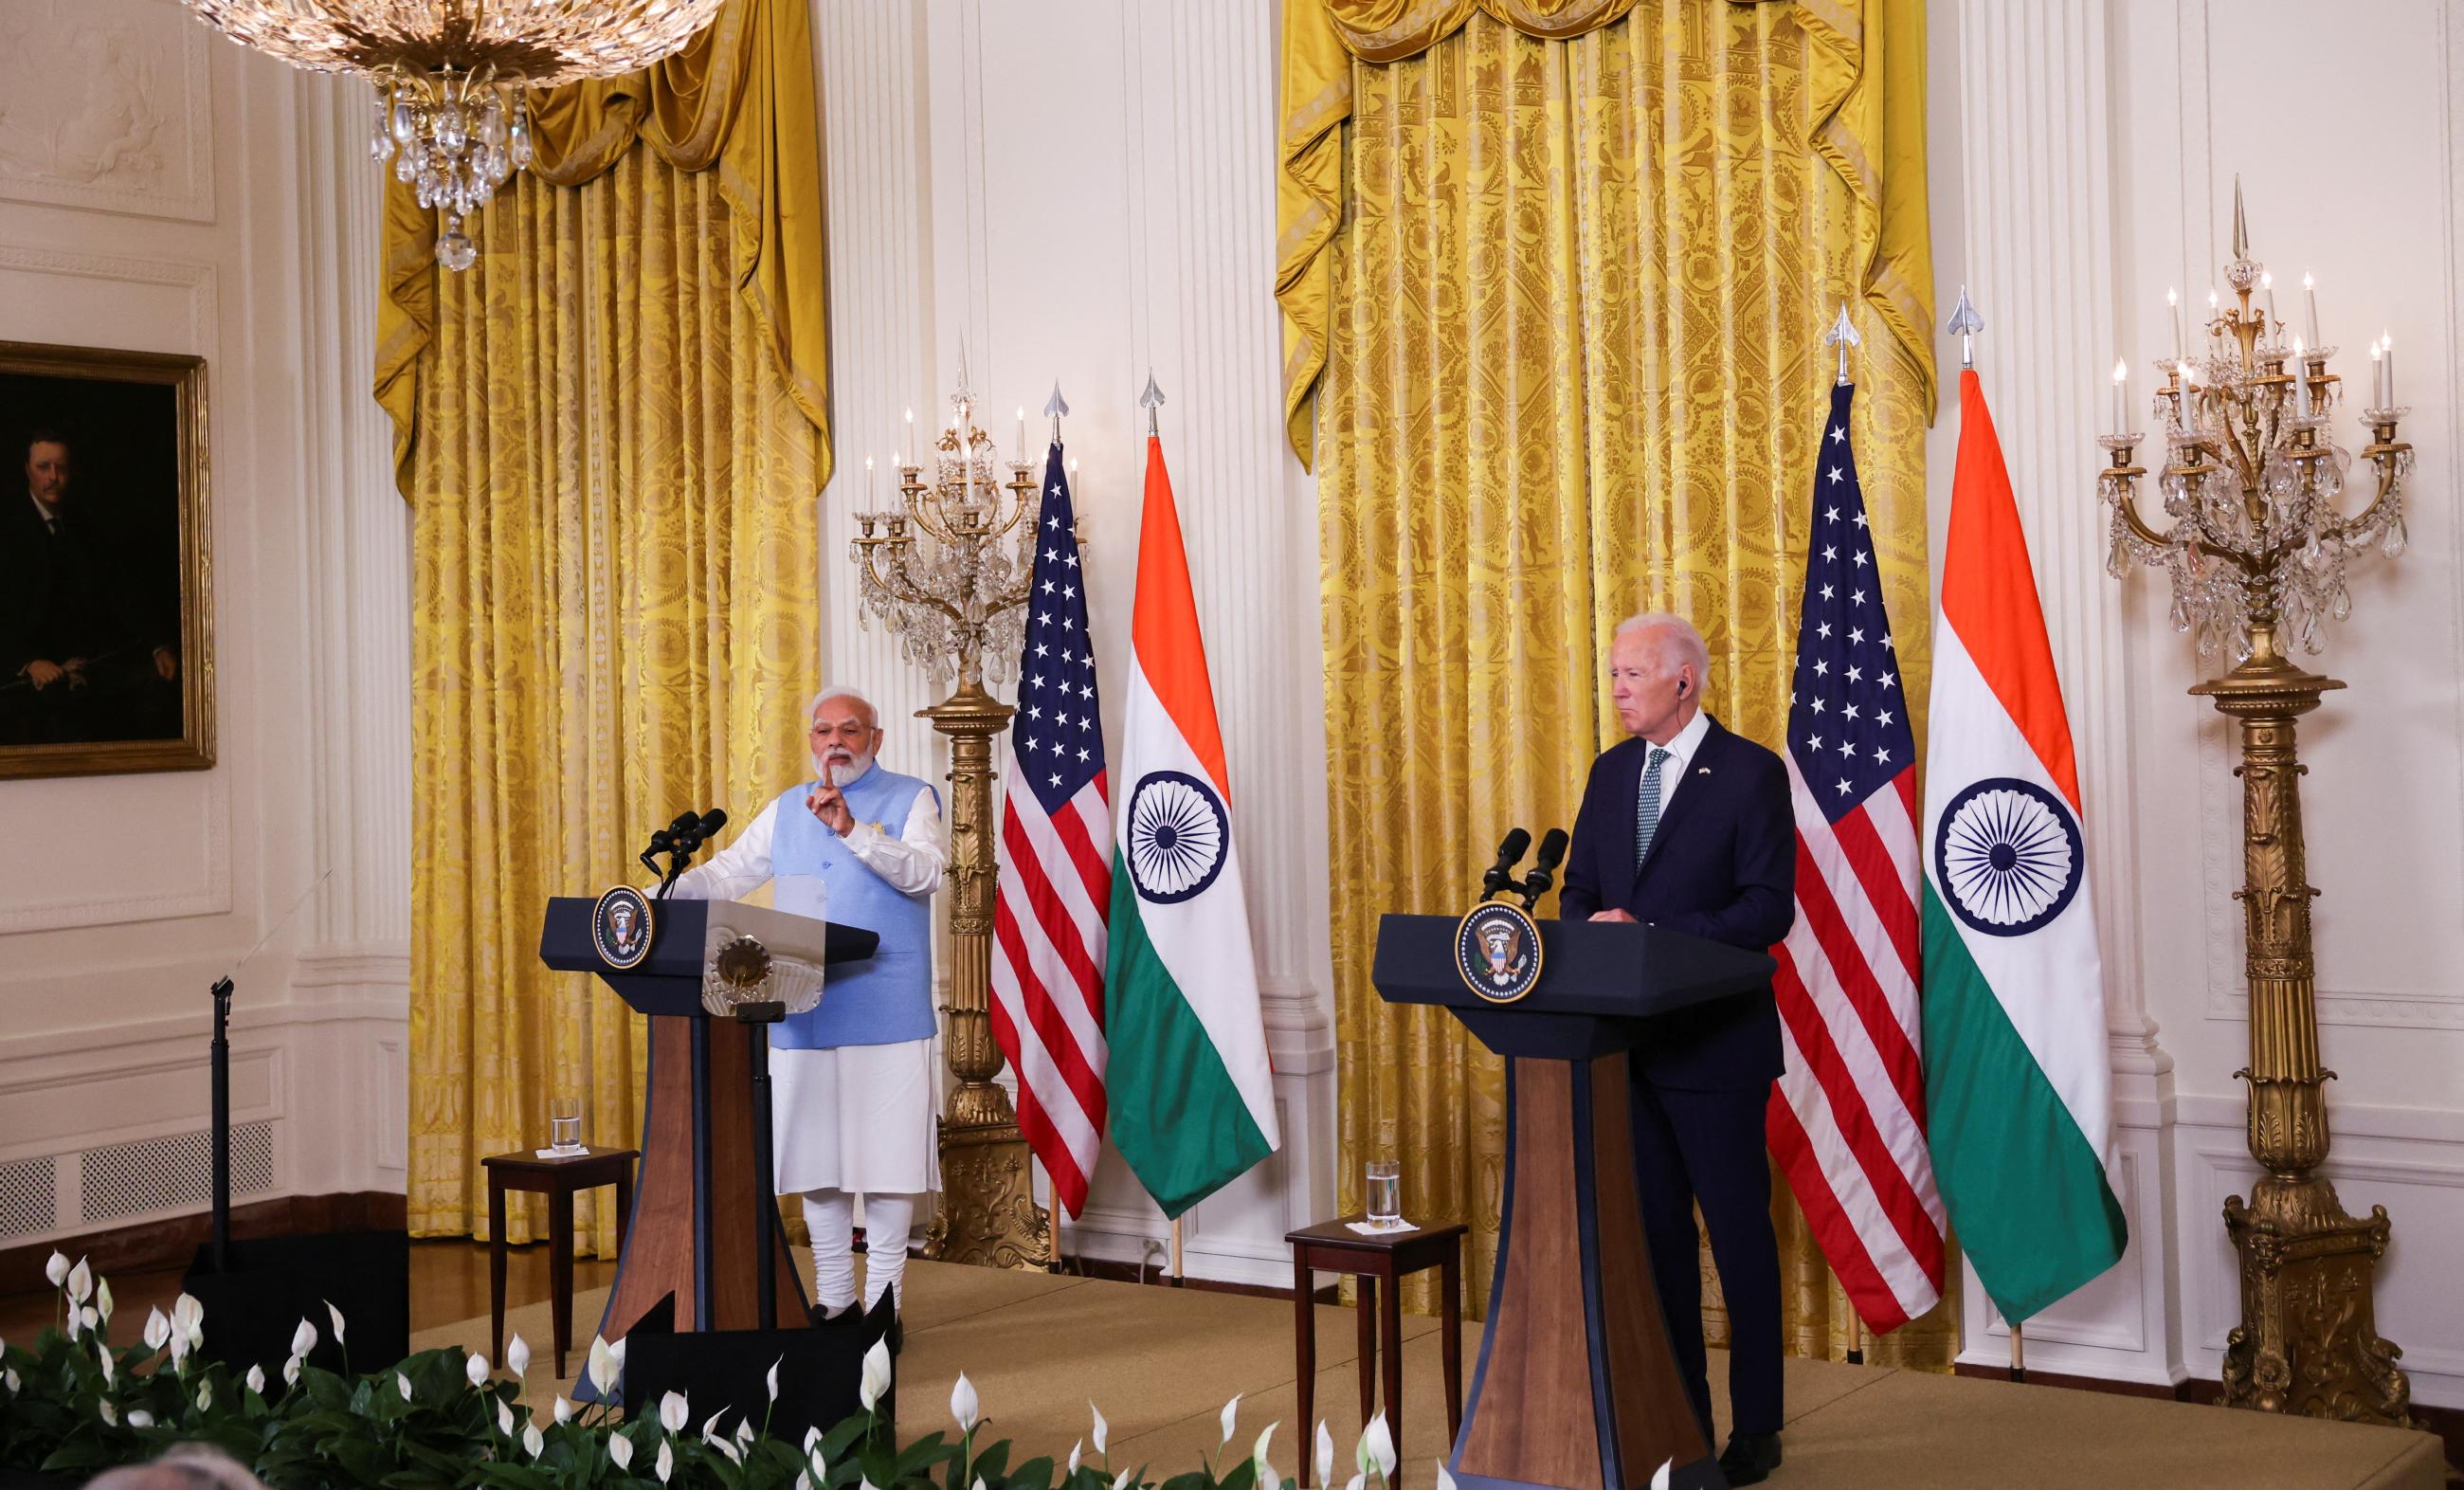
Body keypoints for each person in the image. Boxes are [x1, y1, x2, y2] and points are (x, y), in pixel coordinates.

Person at [1557, 611, 1795, 1486]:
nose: (1615, 688)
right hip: (1628, 1050)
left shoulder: (1750, 774)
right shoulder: (1610, 773)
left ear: (1683, 682)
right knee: (1658, 1245)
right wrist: (1590, 930)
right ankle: (1685, 1424)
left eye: (1629, 674)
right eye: (1614, 673)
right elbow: (1581, 891)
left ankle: (1759, 1427)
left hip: (1719, 1051)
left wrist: (1649, 930)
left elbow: (1767, 910)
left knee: (1737, 1242)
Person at [667, 685, 944, 1348]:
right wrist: (657, 896)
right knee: (814, 1162)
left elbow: (928, 874)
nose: (835, 742)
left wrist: (853, 831)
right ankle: (834, 1303)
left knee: (887, 1166)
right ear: (810, 740)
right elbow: (731, 872)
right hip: (800, 1006)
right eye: (823, 731)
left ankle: (883, 1311)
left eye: (851, 730)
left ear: (876, 740)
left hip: (887, 1011)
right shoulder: (787, 807)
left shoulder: (912, 798)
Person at [0, 428, 180, 744]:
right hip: (23, 675)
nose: (54, 476)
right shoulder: (8, 527)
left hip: (84, 665)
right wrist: (28, 662)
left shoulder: (84, 528)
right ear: (27, 469)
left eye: (62, 467)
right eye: (44, 467)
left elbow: (121, 592)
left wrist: (157, 644)